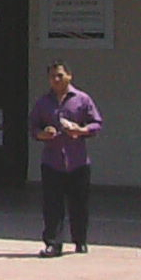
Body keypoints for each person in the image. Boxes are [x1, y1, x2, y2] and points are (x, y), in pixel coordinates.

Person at [30, 62, 103, 257]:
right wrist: (43, 134)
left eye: (60, 75)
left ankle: (80, 240)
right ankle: (53, 243)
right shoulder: (43, 102)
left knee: (79, 204)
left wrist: (81, 130)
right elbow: (34, 128)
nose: (56, 79)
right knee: (52, 205)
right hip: (52, 161)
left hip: (77, 161)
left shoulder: (82, 99)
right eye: (52, 76)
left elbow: (96, 123)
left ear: (69, 76)